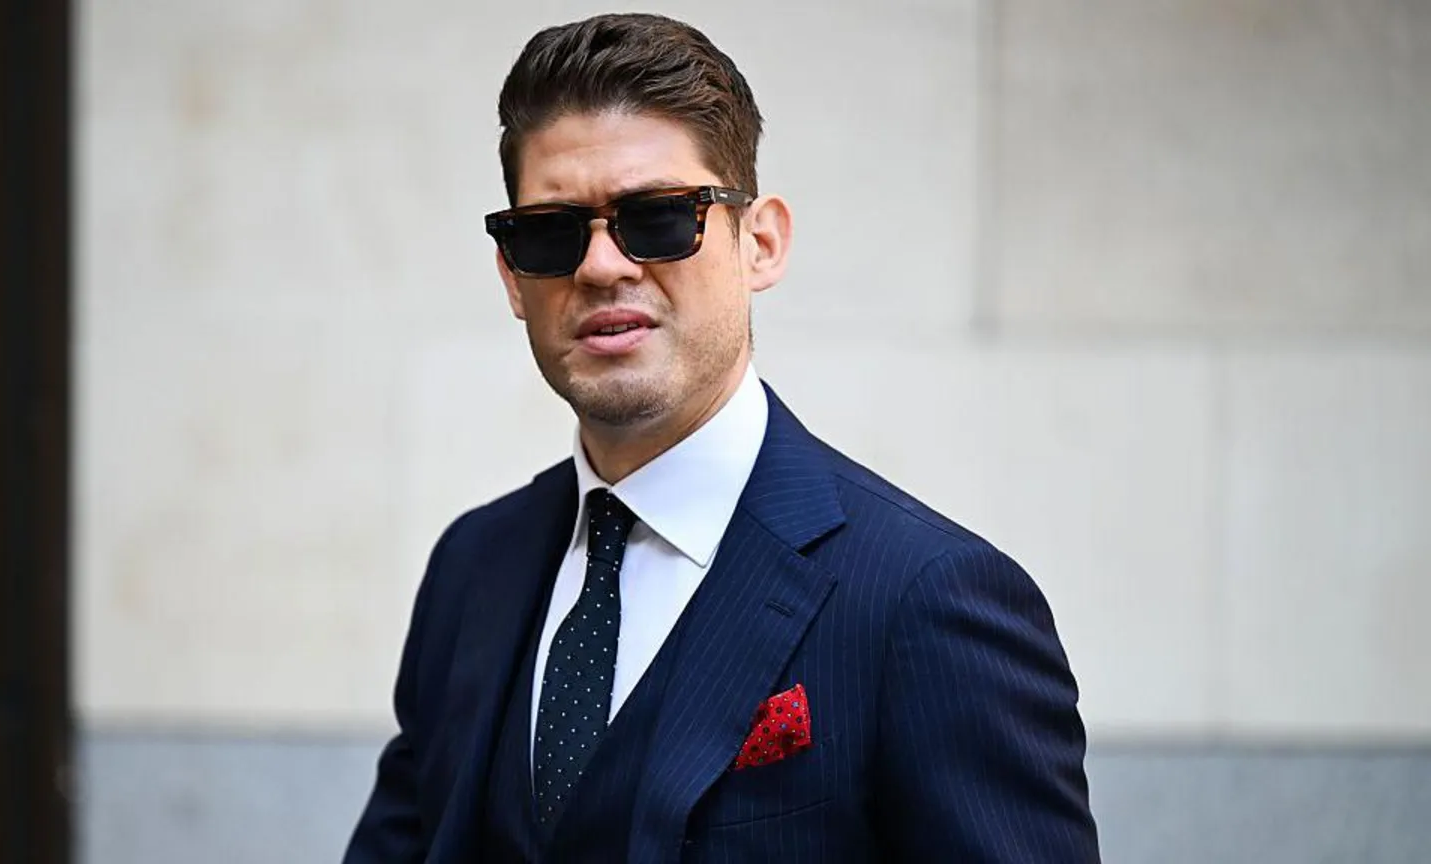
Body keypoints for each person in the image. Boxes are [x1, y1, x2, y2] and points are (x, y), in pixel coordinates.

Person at [345, 12, 1099, 863]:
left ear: (762, 243)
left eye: (661, 218)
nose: (601, 267)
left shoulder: (929, 601)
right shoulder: (472, 568)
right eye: (551, 232)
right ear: (513, 278)